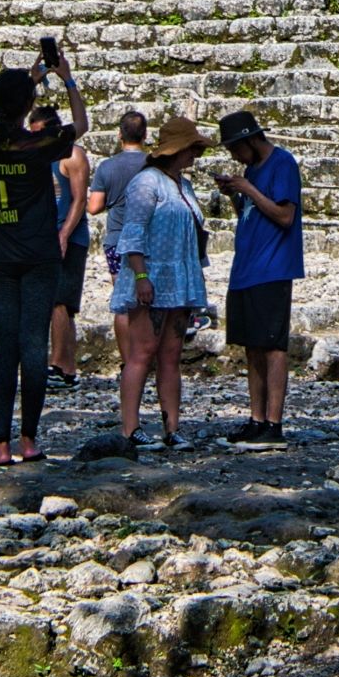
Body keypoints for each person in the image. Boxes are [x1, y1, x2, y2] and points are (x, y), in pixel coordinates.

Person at [0, 53, 89, 463]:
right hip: (38, 253)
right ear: (26, 106)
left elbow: (2, 121)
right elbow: (83, 125)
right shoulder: (37, 145)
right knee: (34, 346)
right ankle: (29, 440)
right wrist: (65, 80)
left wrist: (27, 84)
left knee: (5, 348)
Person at [114, 115, 211, 457]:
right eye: (191, 149)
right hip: (152, 276)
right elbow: (134, 232)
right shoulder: (147, 183)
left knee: (171, 356)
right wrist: (141, 276)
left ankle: (173, 428)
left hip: (180, 279)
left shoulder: (183, 186)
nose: (195, 156)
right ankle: (130, 427)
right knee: (142, 353)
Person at [214, 108, 303, 444]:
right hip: (247, 267)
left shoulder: (282, 164)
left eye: (236, 148)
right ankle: (256, 417)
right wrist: (237, 195)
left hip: (273, 267)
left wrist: (247, 189)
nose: (235, 156)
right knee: (251, 345)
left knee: (272, 345)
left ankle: (274, 422)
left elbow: (284, 215)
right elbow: (252, 216)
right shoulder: (251, 170)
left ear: (251, 140)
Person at [86, 112, 150, 366]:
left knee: (123, 299)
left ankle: (129, 360)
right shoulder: (153, 163)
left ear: (119, 135)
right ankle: (146, 358)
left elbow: (94, 207)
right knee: (147, 300)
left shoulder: (107, 167)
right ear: (145, 135)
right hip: (148, 239)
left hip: (117, 238)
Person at [48, 117, 92, 389]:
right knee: (61, 304)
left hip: (69, 238)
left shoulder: (73, 155)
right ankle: (68, 369)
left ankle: (57, 366)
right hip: (51, 236)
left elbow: (80, 199)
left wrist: (64, 234)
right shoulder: (45, 156)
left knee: (60, 302)